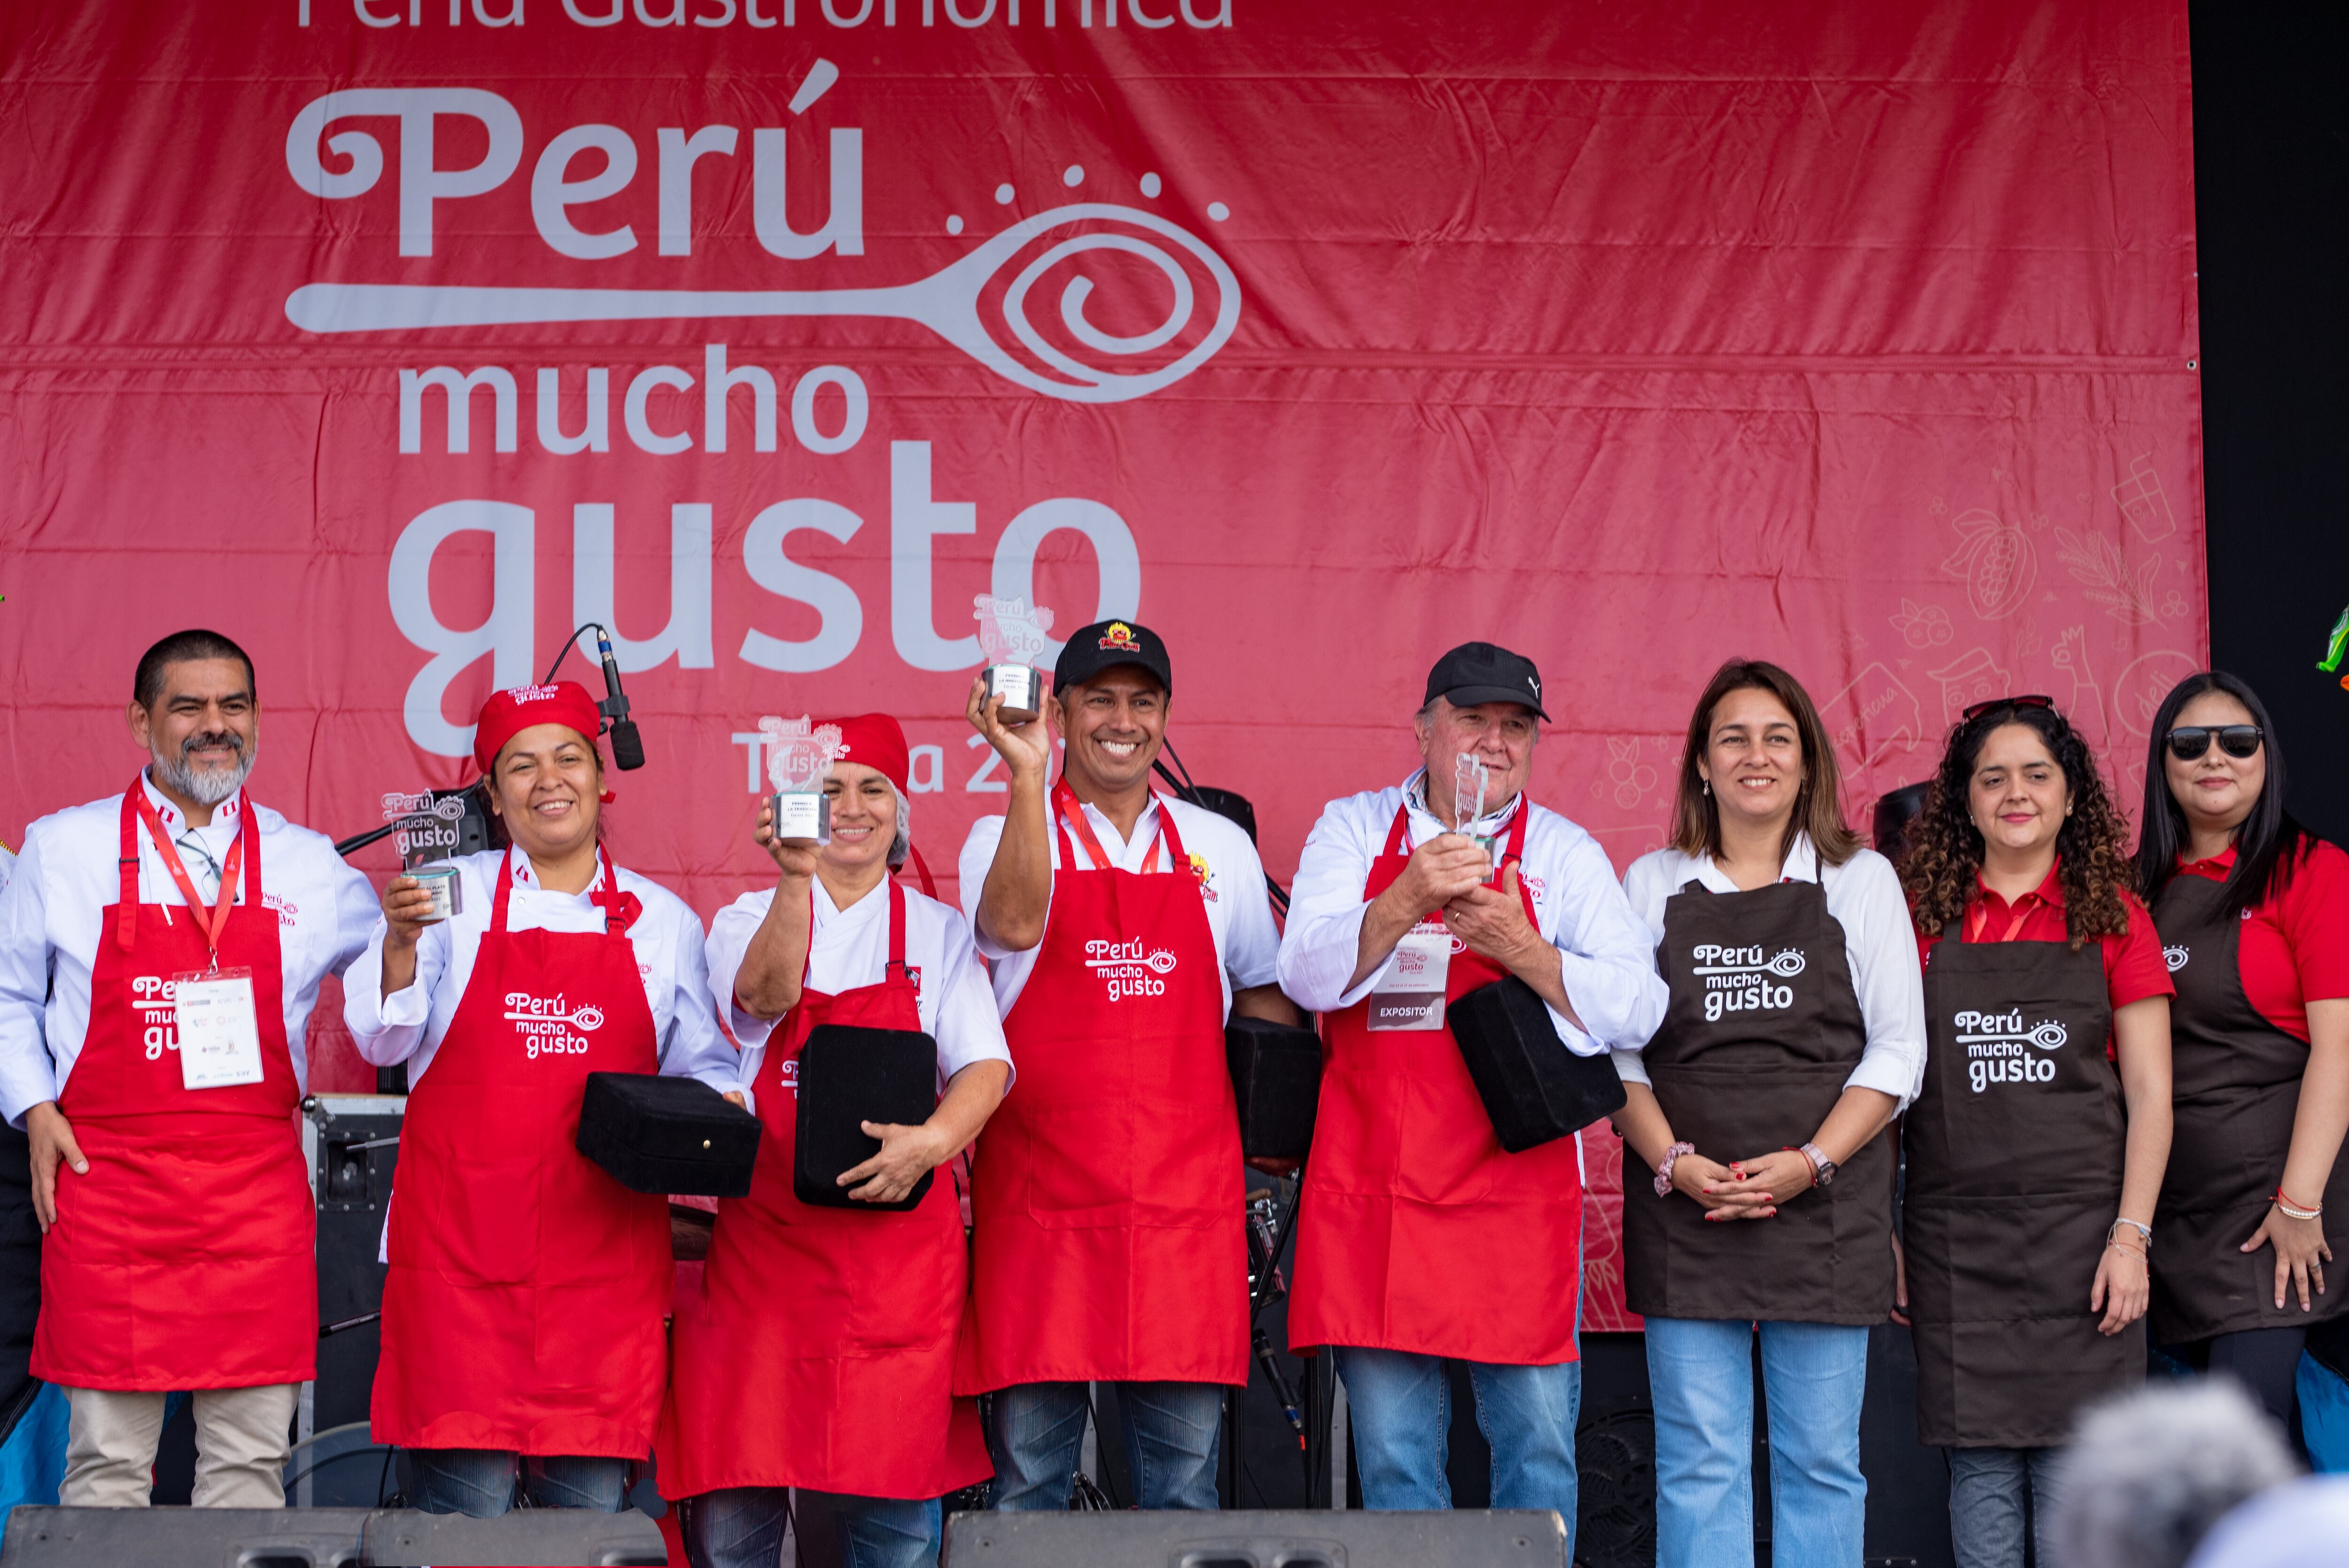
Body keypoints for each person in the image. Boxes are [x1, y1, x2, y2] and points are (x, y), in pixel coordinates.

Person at [1278, 641, 1667, 1525]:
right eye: (1472, 721)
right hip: (1377, 1187)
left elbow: (1642, 1007)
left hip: (1512, 1193)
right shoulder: (1352, 828)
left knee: (1535, 1449)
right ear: (1424, 729)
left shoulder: (1563, 853)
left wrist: (1527, 952)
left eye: (1515, 727)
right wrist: (1405, 895)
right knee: (1395, 1459)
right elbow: (1303, 974)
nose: (1493, 743)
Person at [0, 630, 377, 1507]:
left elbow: (392, 993)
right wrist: (35, 1106)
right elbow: (9, 995)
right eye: (189, 707)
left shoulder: (308, 864)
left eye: (234, 706)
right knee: (105, 1468)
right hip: (109, 1187)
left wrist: (413, 938)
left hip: (253, 1193)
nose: (217, 726)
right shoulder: (63, 848)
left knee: (248, 1467)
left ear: (257, 719)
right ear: (142, 722)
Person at [342, 681, 735, 1517]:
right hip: (460, 1267)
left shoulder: (663, 921)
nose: (547, 780)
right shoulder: (449, 892)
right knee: (461, 1522)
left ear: (602, 776)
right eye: (520, 765)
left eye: (568, 758)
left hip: (602, 1273)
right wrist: (402, 945)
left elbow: (704, 1070)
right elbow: (382, 1040)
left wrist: (703, 1119)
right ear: (492, 792)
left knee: (582, 1520)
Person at [957, 620, 1292, 1511]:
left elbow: (1264, 990)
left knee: (1180, 1489)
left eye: (1142, 701)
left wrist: (1260, 1140)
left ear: (1167, 714)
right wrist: (1027, 772)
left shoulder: (1217, 845)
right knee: (1030, 1481)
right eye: (1099, 698)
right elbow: (1012, 928)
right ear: (1060, 710)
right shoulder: (1002, 836)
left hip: (1184, 1208)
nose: (1122, 719)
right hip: (1042, 1209)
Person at [663, 714, 1011, 1568]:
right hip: (765, 1269)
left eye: (873, 790)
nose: (852, 808)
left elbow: (987, 1068)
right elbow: (764, 997)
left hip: (898, 1277)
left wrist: (931, 1142)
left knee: (894, 1527)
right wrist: (795, 875)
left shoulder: (937, 930)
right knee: (738, 1520)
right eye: (830, 792)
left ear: (901, 811)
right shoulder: (745, 914)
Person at [1611, 659, 1924, 1568]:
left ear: (1807, 760)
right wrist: (1671, 1160)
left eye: (1777, 737)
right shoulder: (1649, 881)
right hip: (1686, 1206)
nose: (1757, 756)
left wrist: (1811, 1162)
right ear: (1701, 764)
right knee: (1698, 1463)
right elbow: (1615, 1050)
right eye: (1733, 738)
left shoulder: (1860, 880)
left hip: (1823, 1210)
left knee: (1821, 1464)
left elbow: (1899, 1050)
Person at [1894, 696, 2173, 1568]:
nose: (2016, 793)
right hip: (1955, 1241)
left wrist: (2131, 1237)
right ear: (1965, 801)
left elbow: (2154, 1099)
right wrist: (1888, 1233)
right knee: (1976, 1474)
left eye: (2037, 775)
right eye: (1993, 777)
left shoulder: (2119, 918)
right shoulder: (1917, 923)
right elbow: (1887, 1091)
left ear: (2069, 795)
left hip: (2085, 1243)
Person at [2136, 670, 2349, 1430]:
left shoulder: (2312, 870)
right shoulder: (2138, 893)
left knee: (2245, 1445)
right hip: (2173, 1226)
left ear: (2268, 756)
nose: (2214, 758)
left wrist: (2299, 1202)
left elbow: (2340, 1049)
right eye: (2190, 744)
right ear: (2163, 762)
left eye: (2239, 740)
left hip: (2278, 1221)